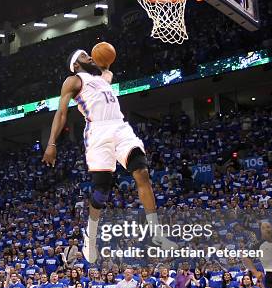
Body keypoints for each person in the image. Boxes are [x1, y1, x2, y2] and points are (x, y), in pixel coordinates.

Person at [42, 48, 175, 263]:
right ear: (76, 65)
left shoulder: (105, 77)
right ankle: (90, 237)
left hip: (120, 127)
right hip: (98, 133)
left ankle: (156, 233)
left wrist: (104, 55)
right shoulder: (73, 81)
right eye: (85, 57)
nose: (90, 58)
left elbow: (105, 63)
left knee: (141, 171)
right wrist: (51, 143)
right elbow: (61, 112)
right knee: (101, 192)